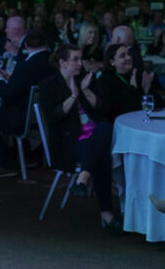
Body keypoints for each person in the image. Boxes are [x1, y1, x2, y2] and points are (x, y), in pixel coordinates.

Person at [38, 45, 121, 231]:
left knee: (106, 128)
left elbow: (103, 109)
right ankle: (106, 213)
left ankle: (83, 177)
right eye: (75, 59)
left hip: (92, 137)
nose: (79, 63)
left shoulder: (85, 80)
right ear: (62, 62)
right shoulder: (48, 85)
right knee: (102, 155)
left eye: (80, 59)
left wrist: (85, 91)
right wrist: (74, 96)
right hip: (68, 142)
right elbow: (52, 117)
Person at [0, 29, 56, 178]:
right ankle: (25, 157)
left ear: (26, 45)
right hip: (43, 116)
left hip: (21, 118)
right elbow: (26, 84)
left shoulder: (25, 66)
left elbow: (7, 94)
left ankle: (6, 162)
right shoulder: (51, 63)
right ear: (46, 44)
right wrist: (11, 78)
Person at [97, 43, 158, 120]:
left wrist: (148, 90)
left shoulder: (137, 74)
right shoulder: (105, 80)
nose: (128, 58)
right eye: (122, 56)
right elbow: (112, 111)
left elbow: (158, 105)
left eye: (128, 54)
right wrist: (132, 88)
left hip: (142, 120)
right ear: (112, 61)